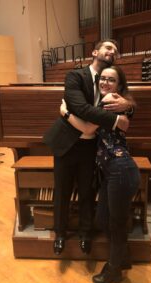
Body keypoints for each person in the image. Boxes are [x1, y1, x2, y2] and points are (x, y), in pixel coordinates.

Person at [44, 39, 133, 256]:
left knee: (86, 191)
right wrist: (114, 119)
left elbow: (88, 117)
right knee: (62, 192)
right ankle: (61, 234)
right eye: (108, 47)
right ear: (95, 52)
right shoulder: (75, 76)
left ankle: (85, 234)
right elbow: (80, 107)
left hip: (91, 146)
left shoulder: (111, 87)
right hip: (66, 143)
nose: (112, 51)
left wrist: (128, 106)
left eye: (115, 50)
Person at [60, 65, 141, 283]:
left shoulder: (109, 102)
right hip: (112, 171)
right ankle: (123, 258)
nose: (105, 82)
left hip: (120, 169)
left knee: (114, 224)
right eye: (102, 79)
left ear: (119, 86)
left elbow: (87, 129)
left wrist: (65, 112)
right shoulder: (114, 102)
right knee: (103, 219)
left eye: (111, 80)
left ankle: (113, 269)